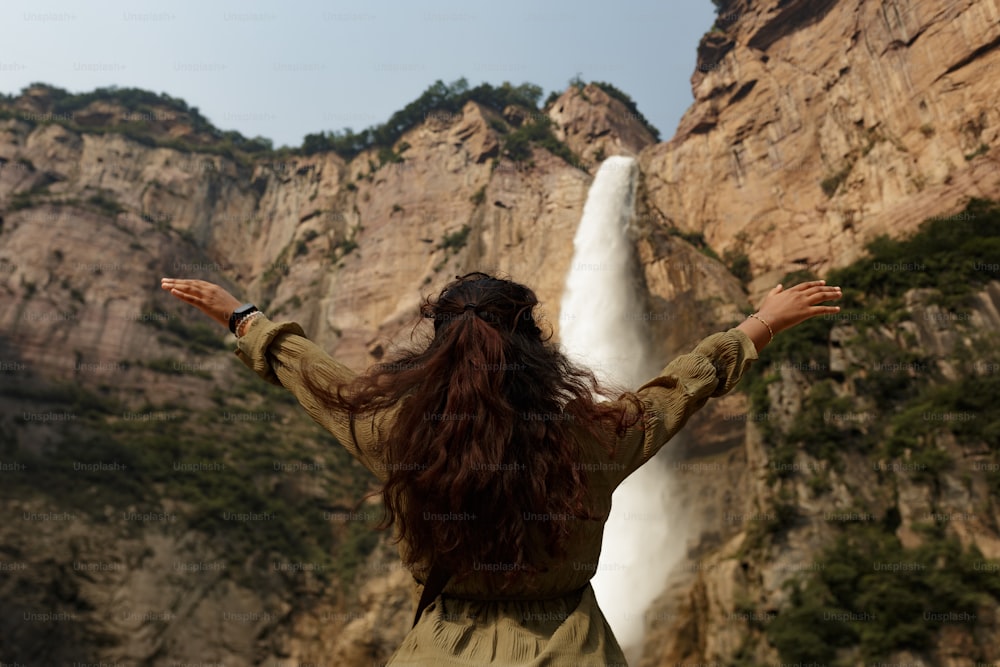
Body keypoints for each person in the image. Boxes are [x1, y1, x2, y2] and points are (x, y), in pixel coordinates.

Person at [160, 272, 842, 666]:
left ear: (436, 349)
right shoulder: (590, 436)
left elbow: (322, 380)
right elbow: (677, 389)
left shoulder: (397, 434)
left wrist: (244, 318)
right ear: (536, 347)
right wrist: (758, 324)